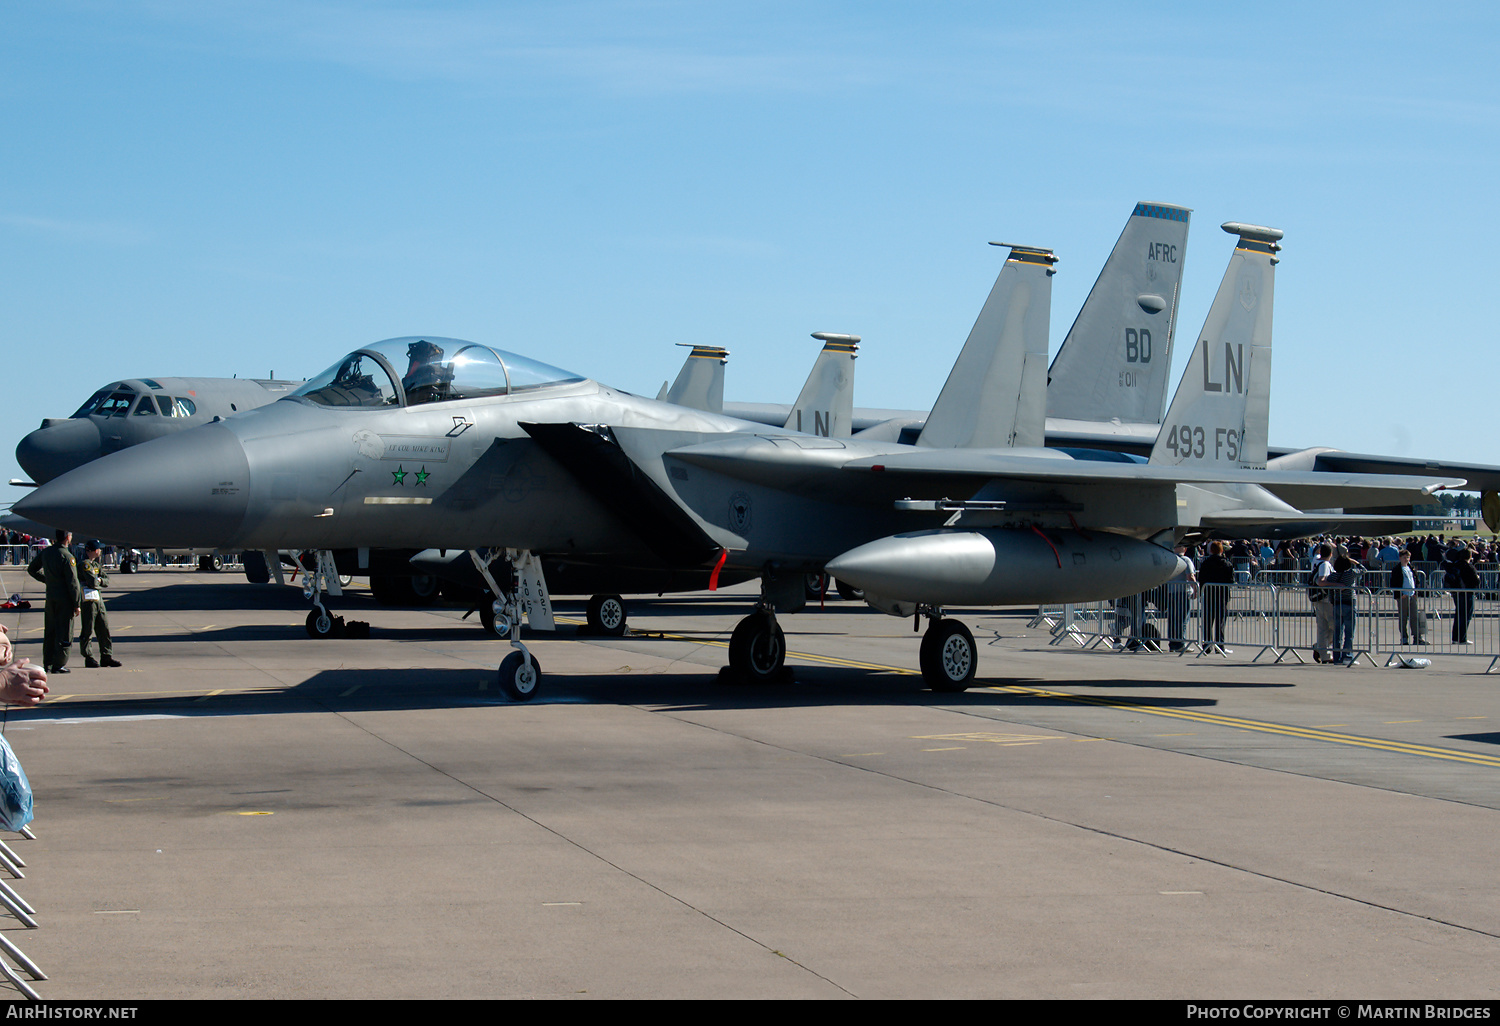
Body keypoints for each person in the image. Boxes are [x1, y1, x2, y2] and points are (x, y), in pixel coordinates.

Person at [27, 529, 80, 674]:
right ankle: (59, 663)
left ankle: (48, 662)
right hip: (64, 600)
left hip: (51, 597)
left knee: (50, 631)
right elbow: (73, 583)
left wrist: (48, 581)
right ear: (68, 538)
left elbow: (32, 569)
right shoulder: (67, 556)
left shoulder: (47, 552)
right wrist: (77, 603)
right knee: (65, 632)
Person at [78, 540, 121, 668]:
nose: (100, 551)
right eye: (98, 549)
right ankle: (88, 657)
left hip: (98, 599)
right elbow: (92, 582)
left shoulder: (96, 565)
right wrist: (98, 581)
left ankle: (106, 656)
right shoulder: (85, 565)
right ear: (93, 550)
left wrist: (100, 580)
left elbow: (106, 580)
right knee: (88, 629)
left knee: (104, 628)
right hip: (88, 599)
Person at [1198, 541, 1235, 654]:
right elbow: (1231, 580)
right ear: (1221, 550)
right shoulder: (1226, 563)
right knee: (1220, 622)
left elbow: (1201, 578)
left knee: (1208, 621)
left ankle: (1207, 645)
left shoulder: (1205, 563)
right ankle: (1220, 646)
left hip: (1208, 594)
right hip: (1222, 595)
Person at [1329, 547, 1361, 664]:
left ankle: (1336, 657)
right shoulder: (1351, 574)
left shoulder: (1333, 576)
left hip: (1337, 604)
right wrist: (1354, 562)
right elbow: (1363, 570)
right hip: (1349, 603)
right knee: (1349, 633)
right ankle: (1347, 656)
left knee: (1337, 633)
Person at [1165, 541, 1198, 652]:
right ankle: (1180, 643)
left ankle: (1173, 643)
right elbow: (1190, 576)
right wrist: (1195, 589)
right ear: (1184, 549)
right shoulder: (1186, 560)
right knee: (1182, 618)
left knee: (1173, 619)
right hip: (1183, 592)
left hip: (1171, 592)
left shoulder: (1170, 559)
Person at [1390, 549, 1426, 645]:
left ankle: (1417, 637)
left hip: (1412, 595)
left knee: (1414, 617)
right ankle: (1404, 637)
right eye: (1404, 557)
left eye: (1408, 557)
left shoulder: (1411, 568)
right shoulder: (1397, 569)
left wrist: (1415, 593)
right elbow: (1393, 583)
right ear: (1400, 558)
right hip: (1403, 596)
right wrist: (1400, 594)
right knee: (1403, 618)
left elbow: (1416, 581)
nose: (1406, 559)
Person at [1445, 545, 1480, 644]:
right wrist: (1477, 577)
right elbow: (1475, 581)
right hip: (1467, 593)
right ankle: (1462, 638)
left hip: (1457, 593)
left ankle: (1455, 638)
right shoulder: (1469, 567)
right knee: (1465, 616)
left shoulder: (1455, 566)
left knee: (1459, 615)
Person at [1309, 542, 1336, 663]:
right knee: (1334, 627)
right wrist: (1336, 585)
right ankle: (1322, 649)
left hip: (1319, 600)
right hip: (1325, 600)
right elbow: (1321, 581)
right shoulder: (1325, 564)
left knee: (1323, 628)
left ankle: (1322, 651)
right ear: (1331, 554)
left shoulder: (1317, 562)